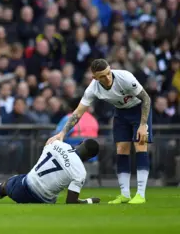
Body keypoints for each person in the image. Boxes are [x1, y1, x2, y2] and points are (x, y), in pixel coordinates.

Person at [47, 59, 152, 204]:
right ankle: (125, 194)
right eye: (102, 76)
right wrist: (63, 133)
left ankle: (140, 194)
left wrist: (143, 124)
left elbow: (146, 98)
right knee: (121, 149)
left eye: (108, 73)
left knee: (140, 145)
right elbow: (78, 113)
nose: (107, 78)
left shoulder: (125, 77)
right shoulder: (93, 89)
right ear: (94, 78)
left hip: (139, 110)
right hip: (121, 113)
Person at [0, 139, 100, 204]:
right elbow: (71, 201)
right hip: (45, 202)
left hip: (22, 189)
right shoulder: (80, 172)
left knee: (8, 184)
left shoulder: (56, 144)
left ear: (79, 143)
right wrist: (89, 201)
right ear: (89, 157)